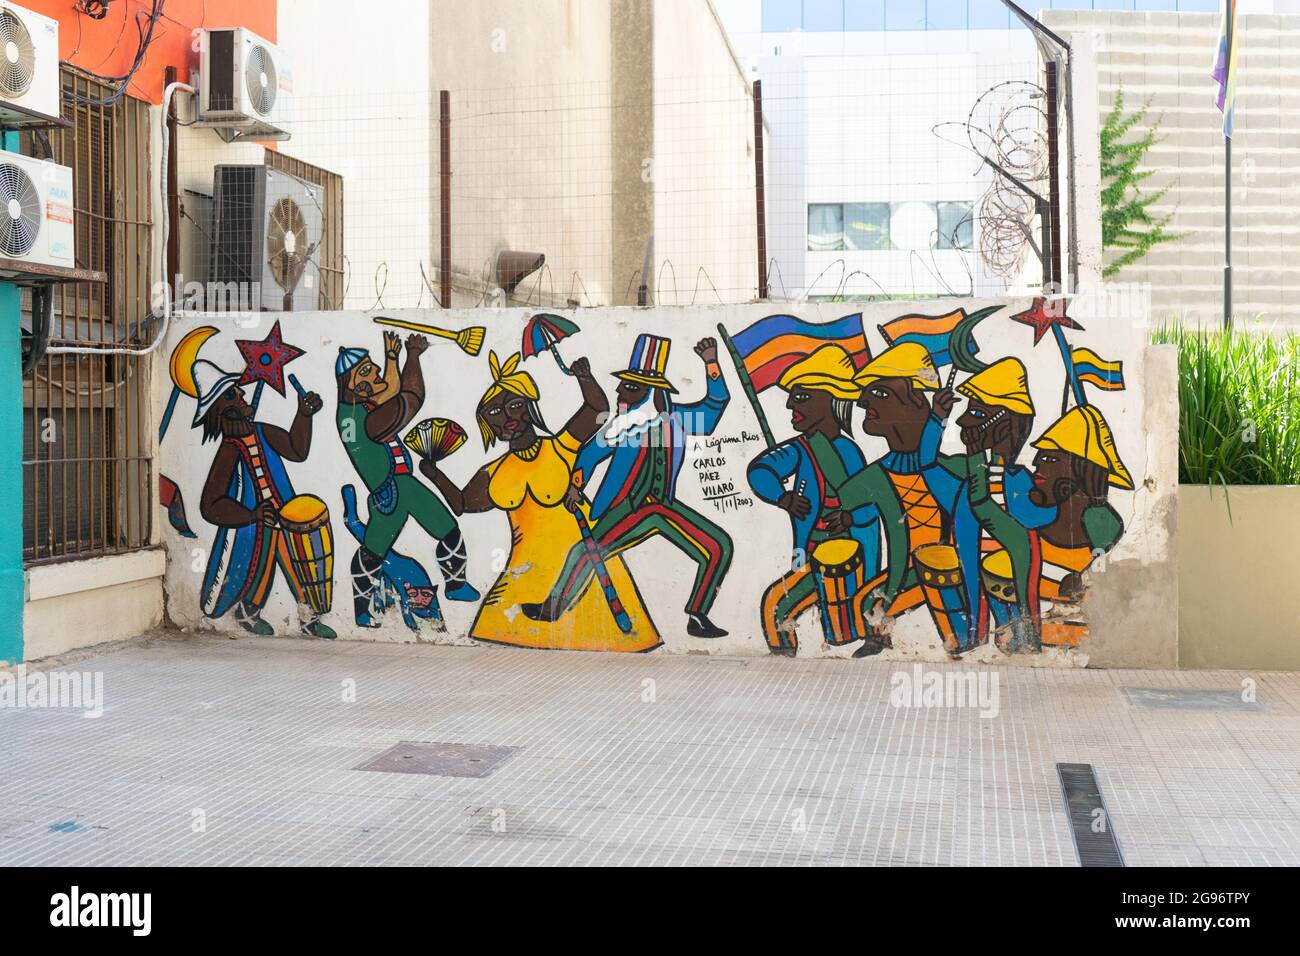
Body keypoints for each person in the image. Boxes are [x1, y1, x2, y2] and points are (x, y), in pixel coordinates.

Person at [422, 351, 661, 652]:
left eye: (515, 406)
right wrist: (432, 472)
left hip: (585, 569)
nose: (508, 418)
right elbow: (460, 503)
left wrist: (584, 377)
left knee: (610, 639)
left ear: (530, 408)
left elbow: (596, 409)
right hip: (524, 579)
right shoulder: (493, 474)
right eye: (495, 413)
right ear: (488, 425)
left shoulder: (562, 446)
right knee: (509, 647)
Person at [521, 335, 733, 638]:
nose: (620, 392)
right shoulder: (620, 426)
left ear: (654, 393)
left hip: (663, 506)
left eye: (631, 388)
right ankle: (553, 607)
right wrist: (575, 486)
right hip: (627, 509)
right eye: (623, 385)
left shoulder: (678, 419)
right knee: (584, 551)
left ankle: (697, 616)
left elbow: (714, 409)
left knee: (718, 546)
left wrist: (711, 362)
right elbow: (590, 454)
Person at [336, 331, 479, 628]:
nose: (375, 373)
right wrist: (413, 355)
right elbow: (410, 398)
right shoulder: (365, 420)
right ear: (352, 384)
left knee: (448, 529)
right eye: (367, 371)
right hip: (391, 492)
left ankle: (455, 585)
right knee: (373, 552)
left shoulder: (355, 409)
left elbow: (388, 392)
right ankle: (362, 608)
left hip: (403, 483)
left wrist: (393, 357)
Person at [821, 343, 955, 657]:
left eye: (881, 394)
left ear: (914, 406)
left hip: (947, 570)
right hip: (902, 575)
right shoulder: (877, 476)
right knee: (864, 603)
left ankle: (954, 640)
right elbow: (846, 501)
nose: (863, 401)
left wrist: (938, 420)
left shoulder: (942, 469)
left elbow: (929, 462)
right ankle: (880, 639)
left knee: (870, 604)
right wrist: (846, 518)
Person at [746, 344, 880, 655]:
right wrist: (783, 497)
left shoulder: (849, 453)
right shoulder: (800, 449)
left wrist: (848, 519)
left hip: (854, 563)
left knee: (783, 609)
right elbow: (760, 470)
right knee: (776, 609)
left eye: (803, 396)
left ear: (829, 400)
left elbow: (869, 509)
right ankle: (784, 665)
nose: (792, 404)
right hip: (806, 556)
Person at [194, 358, 335, 638]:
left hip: (286, 513)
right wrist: (252, 515)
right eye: (232, 394)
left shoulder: (262, 432)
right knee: (260, 566)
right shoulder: (228, 451)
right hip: (257, 523)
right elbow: (210, 505)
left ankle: (307, 617)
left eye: (239, 391)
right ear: (220, 410)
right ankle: (249, 611)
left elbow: (297, 450)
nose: (243, 396)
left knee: (299, 564)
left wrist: (303, 415)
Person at [1025, 404, 1132, 646]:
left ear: (1085, 471)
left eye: (1050, 459)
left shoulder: (1100, 538)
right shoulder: (1030, 533)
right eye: (1039, 457)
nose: (1035, 465)